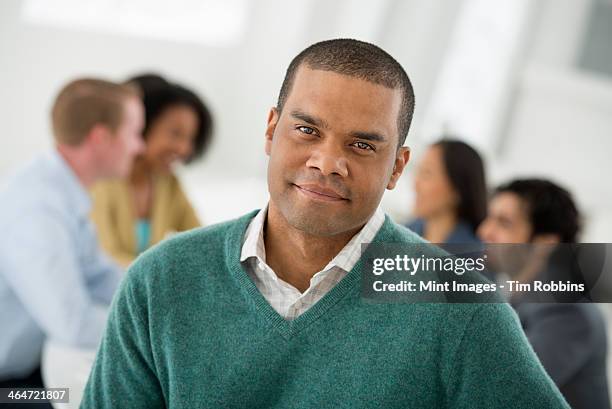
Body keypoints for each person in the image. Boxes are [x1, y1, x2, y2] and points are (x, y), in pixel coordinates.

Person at [81, 39, 569, 408]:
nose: (326, 162)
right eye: (307, 130)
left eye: (362, 145)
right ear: (272, 129)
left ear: (397, 168)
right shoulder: (161, 278)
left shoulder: (459, 304)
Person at [0, 79, 144, 397]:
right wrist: (152, 332)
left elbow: (101, 276)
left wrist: (154, 298)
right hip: (8, 386)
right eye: (134, 133)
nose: (139, 147)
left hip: (30, 366)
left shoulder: (62, 191)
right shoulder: (36, 208)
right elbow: (73, 325)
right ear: (101, 137)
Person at [478, 179, 610, 409]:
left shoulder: (567, 312)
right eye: (489, 218)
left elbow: (499, 392)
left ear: (545, 244)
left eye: (504, 223)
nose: (484, 231)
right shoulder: (518, 298)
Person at [90, 75, 213, 266]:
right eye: (175, 133)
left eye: (190, 139)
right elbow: (105, 258)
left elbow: (203, 243)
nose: (185, 149)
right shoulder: (101, 180)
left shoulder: (168, 183)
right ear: (140, 125)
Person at [407, 139, 486, 244]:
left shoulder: (476, 254)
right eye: (420, 171)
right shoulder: (403, 234)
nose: (415, 185)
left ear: (457, 190)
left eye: (427, 173)